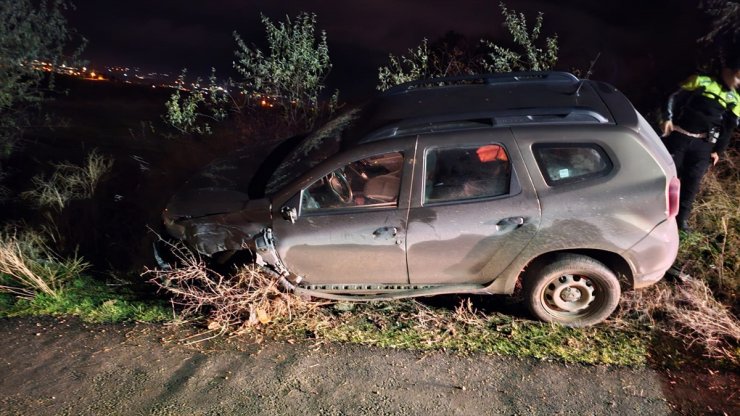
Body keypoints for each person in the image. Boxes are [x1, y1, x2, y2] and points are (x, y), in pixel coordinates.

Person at [660, 56, 740, 231]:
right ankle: (657, 212)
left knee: (692, 182)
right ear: (727, 70)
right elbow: (673, 96)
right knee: (667, 176)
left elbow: (728, 129)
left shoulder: (735, 99)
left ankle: (681, 221)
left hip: (703, 145)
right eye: (737, 75)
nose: (738, 81)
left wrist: (718, 150)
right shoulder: (701, 81)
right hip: (679, 136)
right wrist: (667, 118)